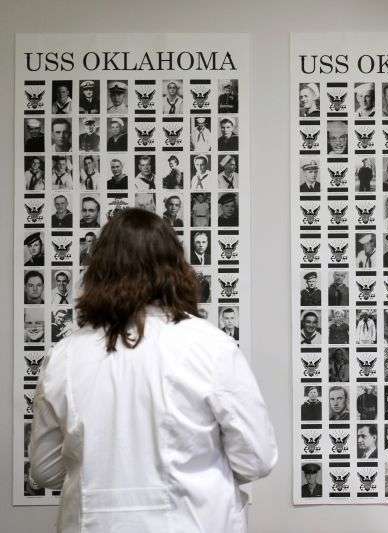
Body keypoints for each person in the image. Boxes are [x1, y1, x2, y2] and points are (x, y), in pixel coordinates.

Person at [30, 209, 277, 530]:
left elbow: (45, 471)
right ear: (176, 269)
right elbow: (257, 460)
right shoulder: (212, 347)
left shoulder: (63, 356)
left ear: (98, 272)